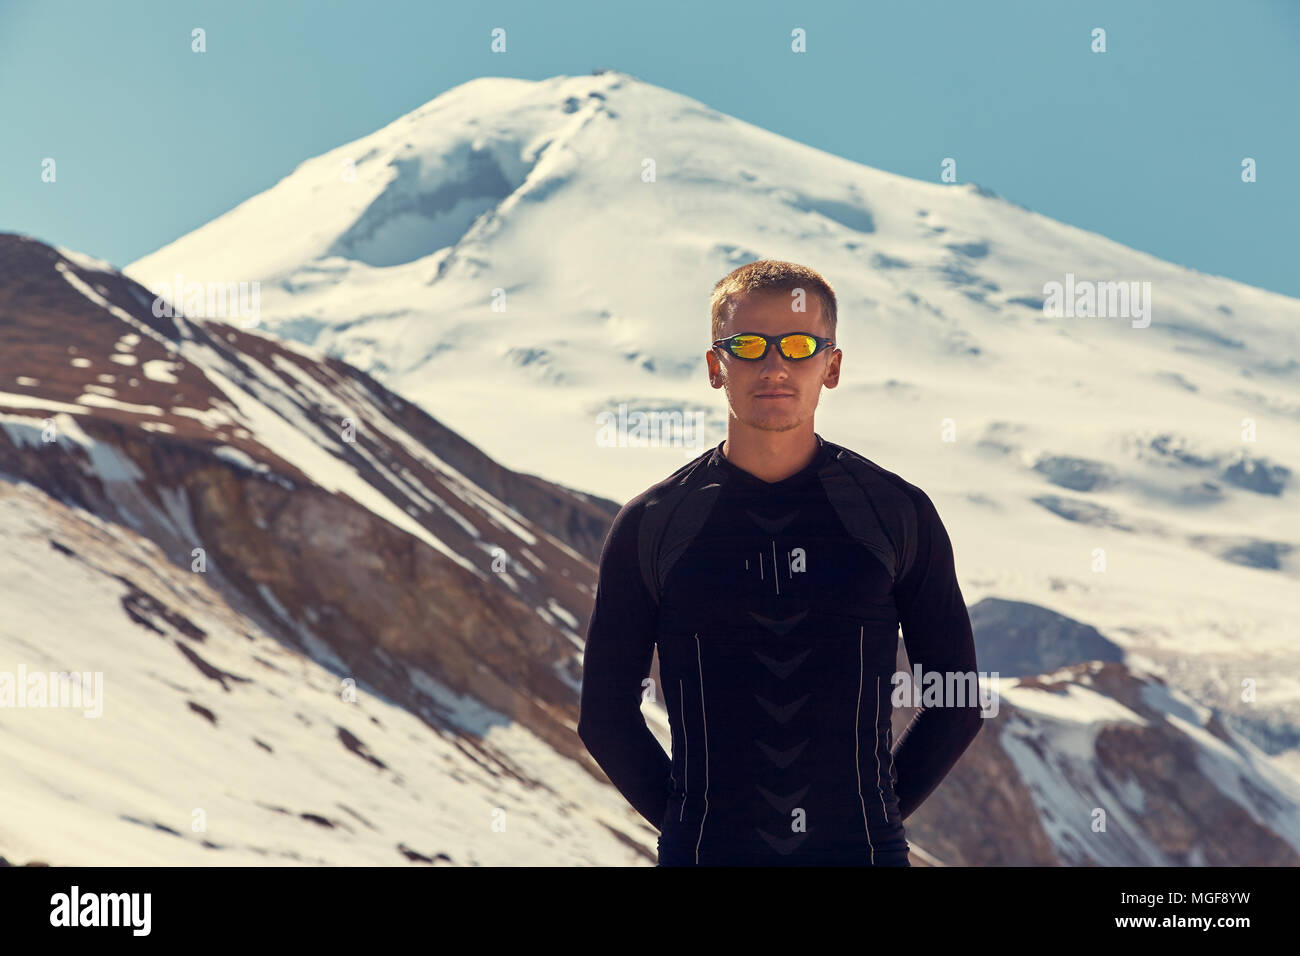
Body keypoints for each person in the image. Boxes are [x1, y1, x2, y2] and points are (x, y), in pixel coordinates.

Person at [578, 260, 983, 866]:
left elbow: (956, 701)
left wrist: (873, 824)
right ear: (717, 366)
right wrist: (692, 831)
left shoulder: (896, 512)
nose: (774, 366)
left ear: (832, 365)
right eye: (748, 346)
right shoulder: (654, 523)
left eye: (799, 346)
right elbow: (604, 714)